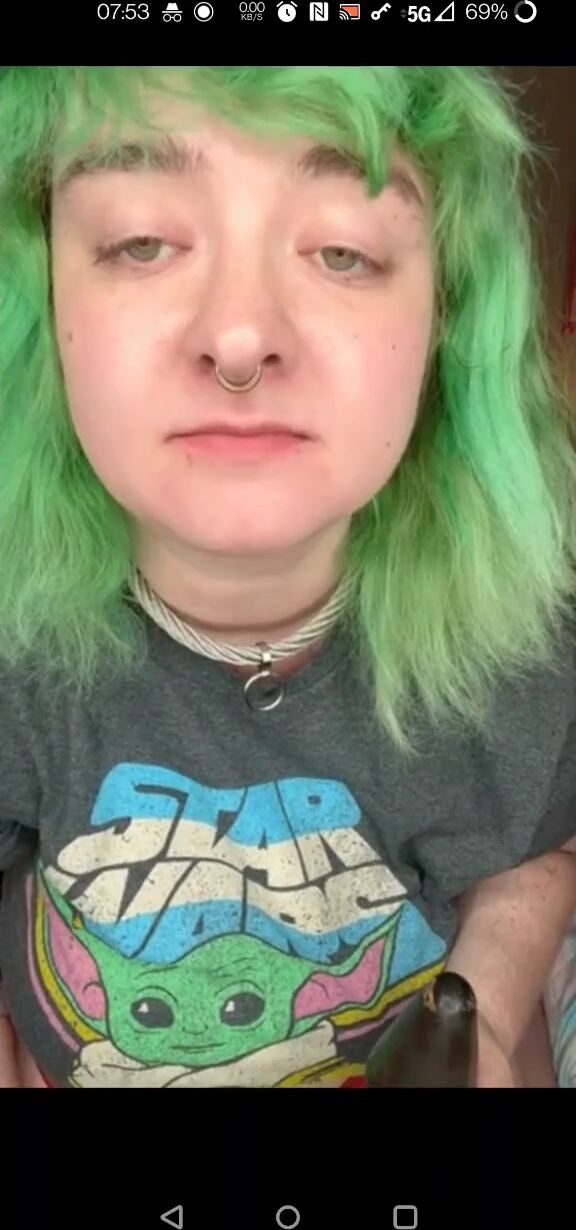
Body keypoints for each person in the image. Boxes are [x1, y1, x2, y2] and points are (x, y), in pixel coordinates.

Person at [1, 65, 576, 1090]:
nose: (238, 339)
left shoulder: (533, 641)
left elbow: (535, 846)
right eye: (141, 241)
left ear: (447, 316)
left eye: (342, 252)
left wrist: (479, 1027)